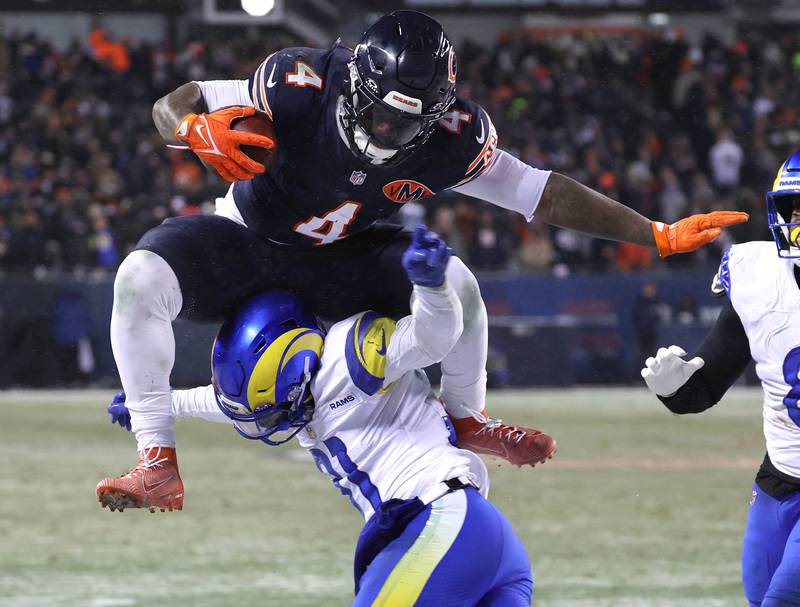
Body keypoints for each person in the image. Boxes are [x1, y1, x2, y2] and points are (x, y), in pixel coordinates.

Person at [101, 9, 747, 512]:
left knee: (457, 285)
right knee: (137, 281)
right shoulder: (301, 82)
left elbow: (539, 192)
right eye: (379, 116)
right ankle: (156, 459)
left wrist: (653, 233)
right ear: (356, 85)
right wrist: (193, 128)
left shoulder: (450, 137)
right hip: (249, 242)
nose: (388, 133)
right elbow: (172, 102)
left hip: (340, 261)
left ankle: (467, 418)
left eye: (404, 124)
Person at [105, 227, 534, 606]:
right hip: (472, 534)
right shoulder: (299, 389)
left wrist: (433, 288)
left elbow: (433, 336)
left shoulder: (353, 353)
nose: (266, 424)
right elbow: (222, 405)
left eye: (267, 411)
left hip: (441, 525)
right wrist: (159, 403)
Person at [640, 150, 800, 607]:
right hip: (779, 479)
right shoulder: (760, 275)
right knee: (760, 594)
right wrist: (677, 389)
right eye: (797, 207)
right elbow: (705, 387)